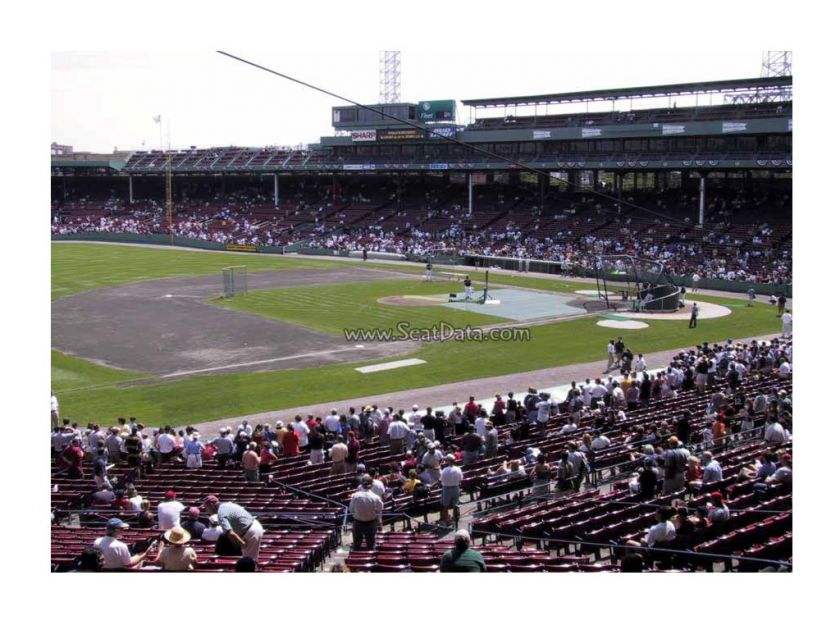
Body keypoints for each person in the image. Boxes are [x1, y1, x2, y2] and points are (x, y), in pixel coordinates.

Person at [203, 495, 264, 561]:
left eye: (206, 507)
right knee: (249, 561)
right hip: (253, 525)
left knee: (249, 563)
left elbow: (230, 533)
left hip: (250, 531)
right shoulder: (228, 504)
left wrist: (242, 544)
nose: (206, 510)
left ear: (211, 504)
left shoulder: (221, 513)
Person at [348, 475, 383, 551]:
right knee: (371, 546)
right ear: (372, 485)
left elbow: (351, 510)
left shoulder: (355, 496)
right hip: (371, 523)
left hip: (358, 523)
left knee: (356, 546)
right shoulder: (375, 497)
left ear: (361, 484)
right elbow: (380, 509)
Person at [439, 454, 463, 525]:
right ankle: (455, 519)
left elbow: (441, 480)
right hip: (456, 488)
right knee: (455, 505)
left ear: (448, 461)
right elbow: (460, 479)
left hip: (446, 489)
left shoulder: (444, 470)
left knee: (445, 506)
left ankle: (446, 520)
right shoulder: (458, 469)